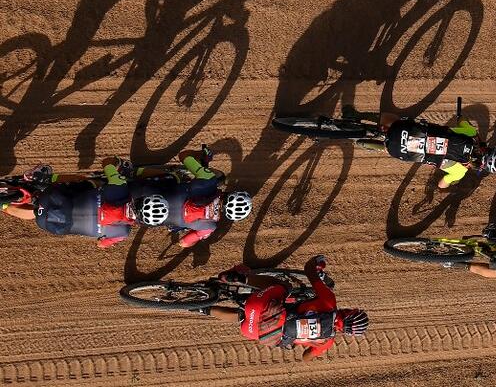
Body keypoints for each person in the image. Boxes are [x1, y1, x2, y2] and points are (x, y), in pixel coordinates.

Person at [200, 255, 368, 361]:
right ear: (346, 332)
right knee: (241, 317)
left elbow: (308, 269)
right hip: (263, 334)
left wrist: (316, 264)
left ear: (349, 312)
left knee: (284, 286)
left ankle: (239, 277)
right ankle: (200, 309)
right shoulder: (327, 342)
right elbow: (306, 357)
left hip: (261, 306)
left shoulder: (329, 302)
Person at [1, 160, 169, 247]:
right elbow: (101, 244)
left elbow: (107, 163)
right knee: (36, 214)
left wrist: (119, 168)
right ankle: (3, 206)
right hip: (53, 224)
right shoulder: (123, 233)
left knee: (87, 183)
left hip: (55, 196)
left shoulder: (120, 189)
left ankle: (42, 178)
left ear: (141, 199)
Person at [344, 106, 496, 188]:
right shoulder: (460, 171)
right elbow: (441, 185)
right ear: (482, 167)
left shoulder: (471, 134)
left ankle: (356, 115)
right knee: (388, 149)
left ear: (488, 148)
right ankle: (359, 142)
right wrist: (452, 181)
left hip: (405, 130)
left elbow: (461, 121)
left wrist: (460, 116)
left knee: (390, 118)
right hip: (401, 151)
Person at [126, 145, 253, 247]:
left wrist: (200, 154)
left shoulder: (208, 180)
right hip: (139, 217)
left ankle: (134, 172)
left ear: (231, 193)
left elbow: (184, 155)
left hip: (137, 190)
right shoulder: (210, 227)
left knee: (173, 177)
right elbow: (183, 243)